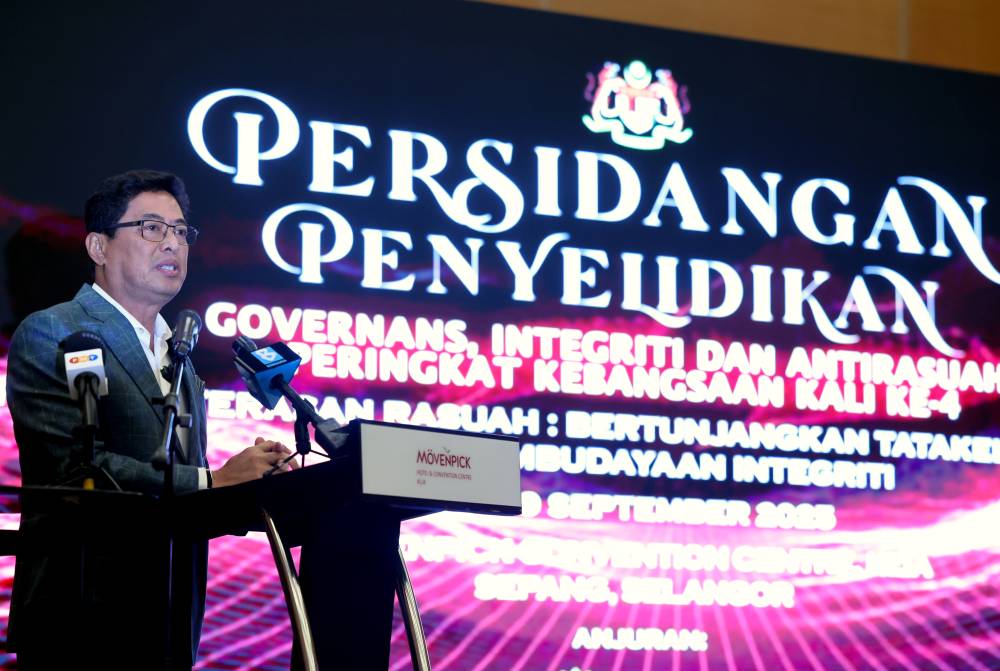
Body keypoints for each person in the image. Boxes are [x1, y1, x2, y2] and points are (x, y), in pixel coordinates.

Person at [5, 170, 294, 669]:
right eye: (151, 228)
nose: (172, 244)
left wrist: (254, 485)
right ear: (98, 246)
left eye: (182, 232)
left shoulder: (180, 358)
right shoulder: (54, 331)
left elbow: (189, 501)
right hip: (79, 619)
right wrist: (214, 479)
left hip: (170, 622)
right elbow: (74, 469)